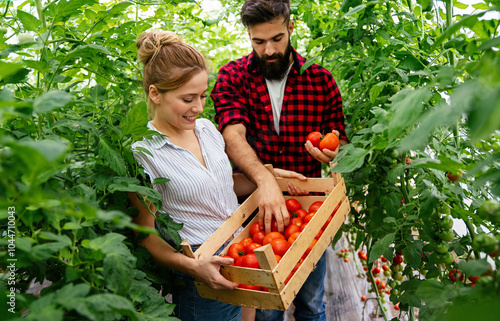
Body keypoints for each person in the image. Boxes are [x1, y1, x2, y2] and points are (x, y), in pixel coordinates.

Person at [130, 29, 307, 321]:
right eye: (188, 99)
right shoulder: (144, 153)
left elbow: (225, 184)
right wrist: (192, 266)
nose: (198, 108)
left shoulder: (206, 130)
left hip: (242, 252)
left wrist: (268, 178)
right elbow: (146, 237)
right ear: (155, 93)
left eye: (201, 96)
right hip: (204, 270)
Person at [211, 1, 348, 320]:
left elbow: (337, 133)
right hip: (256, 207)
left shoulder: (321, 80)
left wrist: (332, 150)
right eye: (258, 41)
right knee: (266, 308)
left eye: (277, 38)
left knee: (312, 303)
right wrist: (265, 179)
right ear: (248, 35)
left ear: (291, 29)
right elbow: (233, 136)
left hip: (308, 208)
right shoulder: (232, 77)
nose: (269, 49)